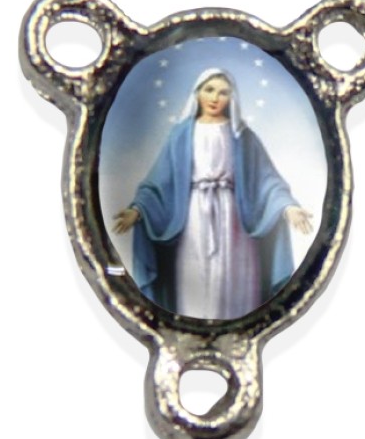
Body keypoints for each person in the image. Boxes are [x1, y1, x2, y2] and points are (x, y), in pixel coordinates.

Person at [113, 67, 313, 320]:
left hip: (234, 221)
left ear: (231, 97)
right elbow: (160, 181)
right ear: (197, 94)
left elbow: (267, 180)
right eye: (209, 90)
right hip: (194, 219)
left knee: (233, 279)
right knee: (195, 278)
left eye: (223, 92)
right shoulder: (181, 135)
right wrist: (138, 209)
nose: (215, 98)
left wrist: (288, 207)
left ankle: (236, 326)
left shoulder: (242, 136)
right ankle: (194, 326)